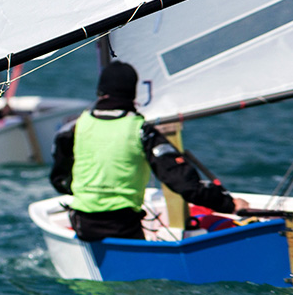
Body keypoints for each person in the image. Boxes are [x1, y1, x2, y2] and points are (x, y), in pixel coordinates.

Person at [49, 60, 248, 242]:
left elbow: (59, 180)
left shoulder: (76, 127)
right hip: (123, 226)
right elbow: (185, 184)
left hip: (84, 225)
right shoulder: (141, 131)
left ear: (100, 92)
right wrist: (229, 205)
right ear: (133, 94)